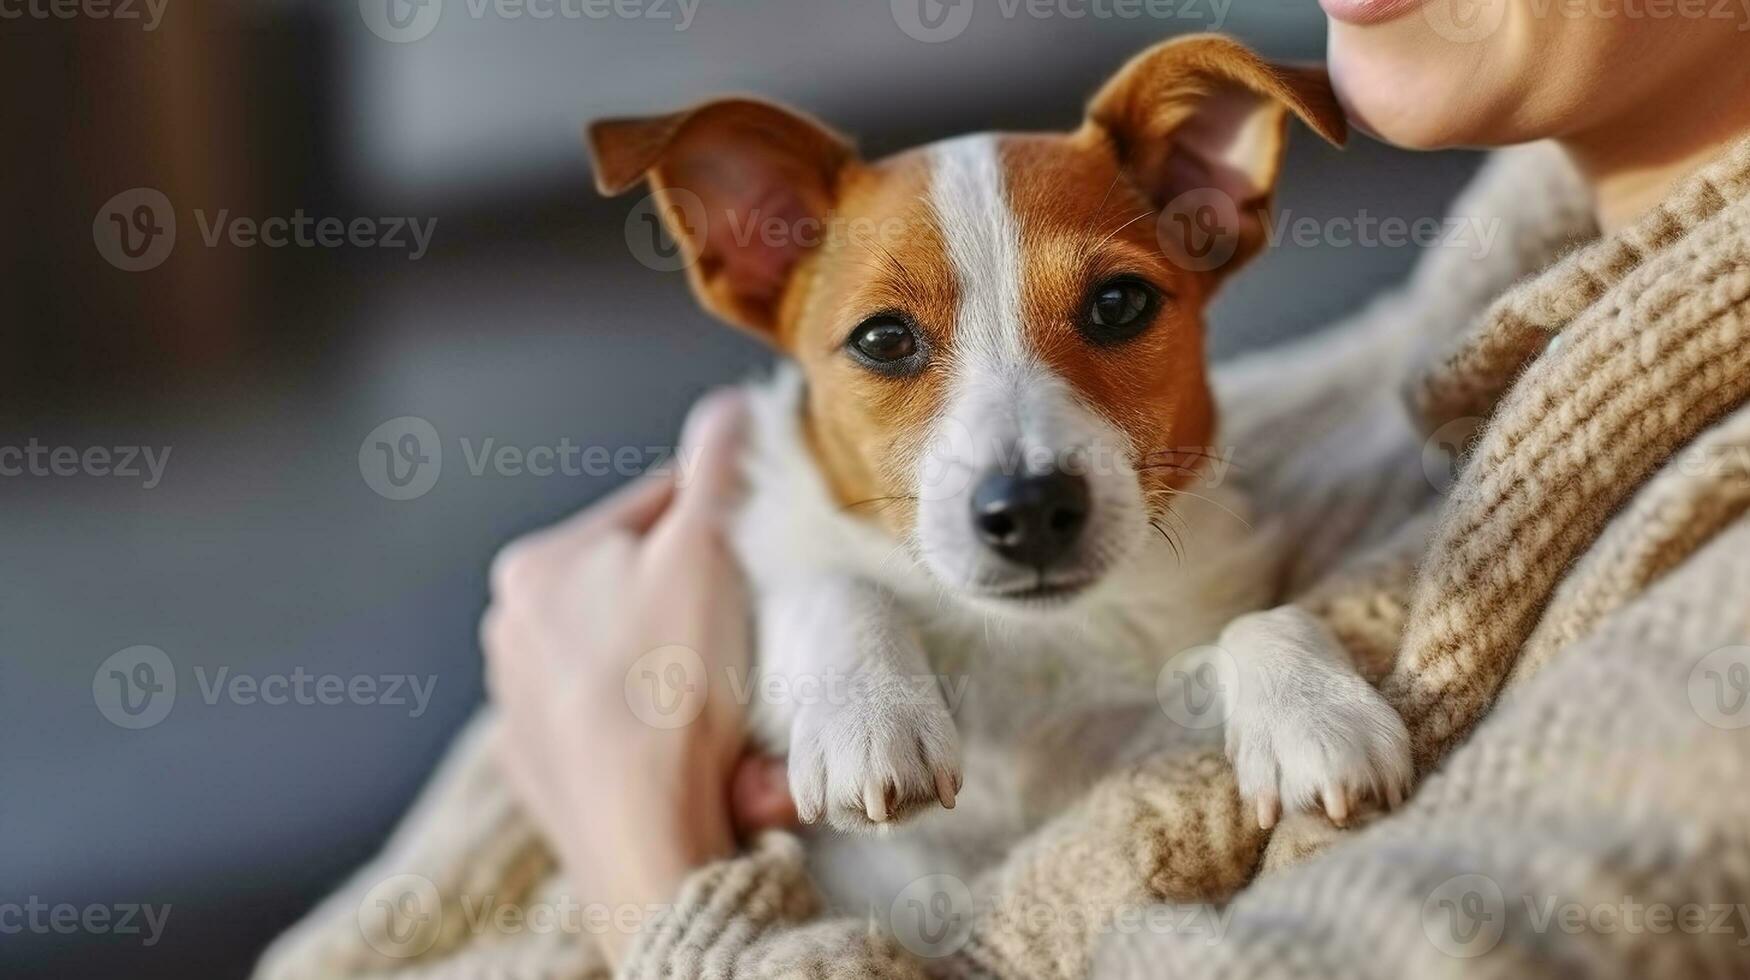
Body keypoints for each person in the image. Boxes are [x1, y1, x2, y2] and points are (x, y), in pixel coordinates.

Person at [257, 7, 1750, 978]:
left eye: (1105, 311)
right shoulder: (1437, 353)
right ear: (746, 260)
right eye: (893, 346)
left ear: (1212, 206)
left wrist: (648, 877)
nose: (1020, 470)